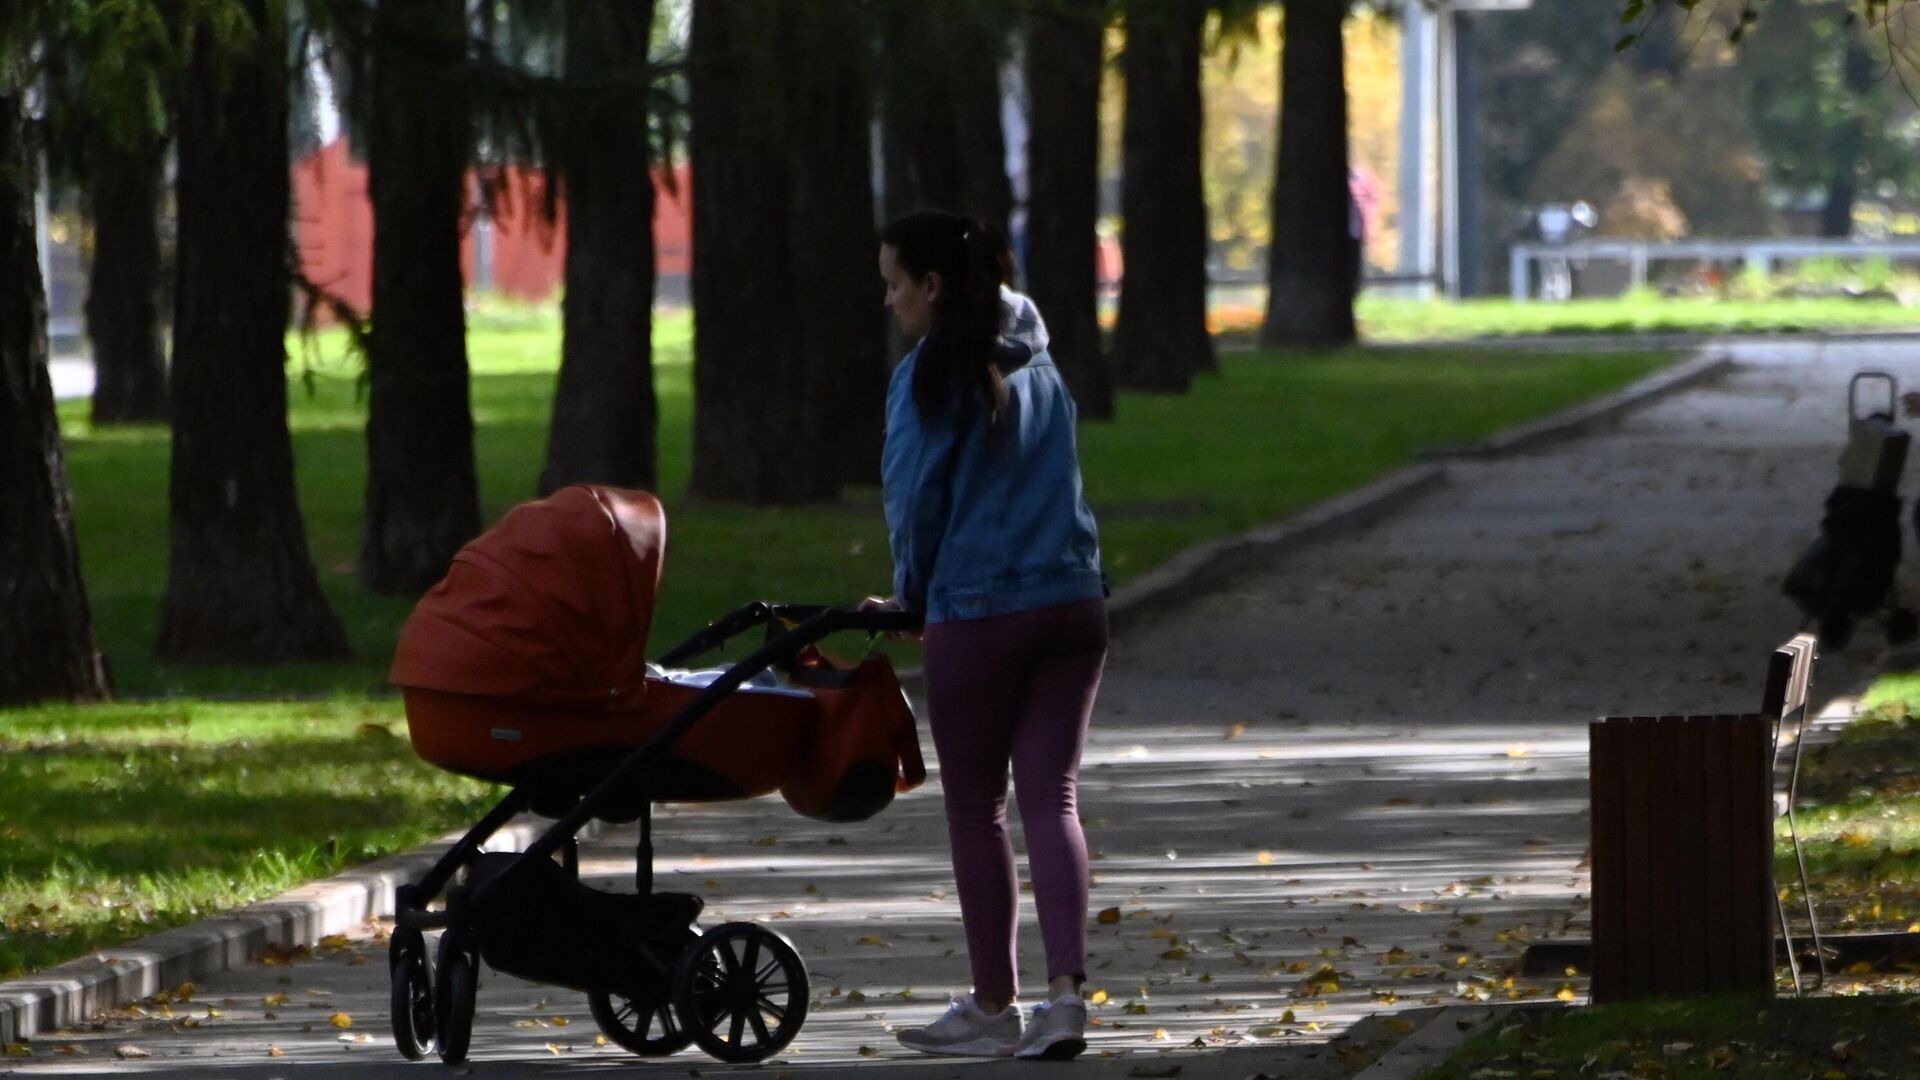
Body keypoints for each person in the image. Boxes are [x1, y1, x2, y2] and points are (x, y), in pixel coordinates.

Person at [865, 210, 1108, 1060]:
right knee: (1055, 797)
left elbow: (918, 500)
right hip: (1073, 602)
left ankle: (994, 1003)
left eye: (896, 282)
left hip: (980, 609)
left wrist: (907, 597)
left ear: (932, 286)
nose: (891, 299)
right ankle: (1067, 998)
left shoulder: (930, 376)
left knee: (977, 806)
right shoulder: (1040, 361)